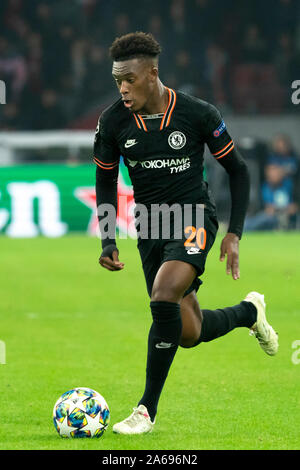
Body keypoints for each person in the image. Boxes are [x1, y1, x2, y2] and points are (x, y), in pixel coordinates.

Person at [93, 32, 278, 435]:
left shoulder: (197, 113)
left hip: (194, 217)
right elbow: (105, 180)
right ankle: (250, 312)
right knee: (187, 332)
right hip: (151, 228)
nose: (123, 88)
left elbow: (239, 170)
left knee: (163, 295)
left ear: (152, 74)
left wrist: (234, 233)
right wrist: (109, 238)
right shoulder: (113, 121)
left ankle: (146, 410)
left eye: (129, 79)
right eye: (117, 81)